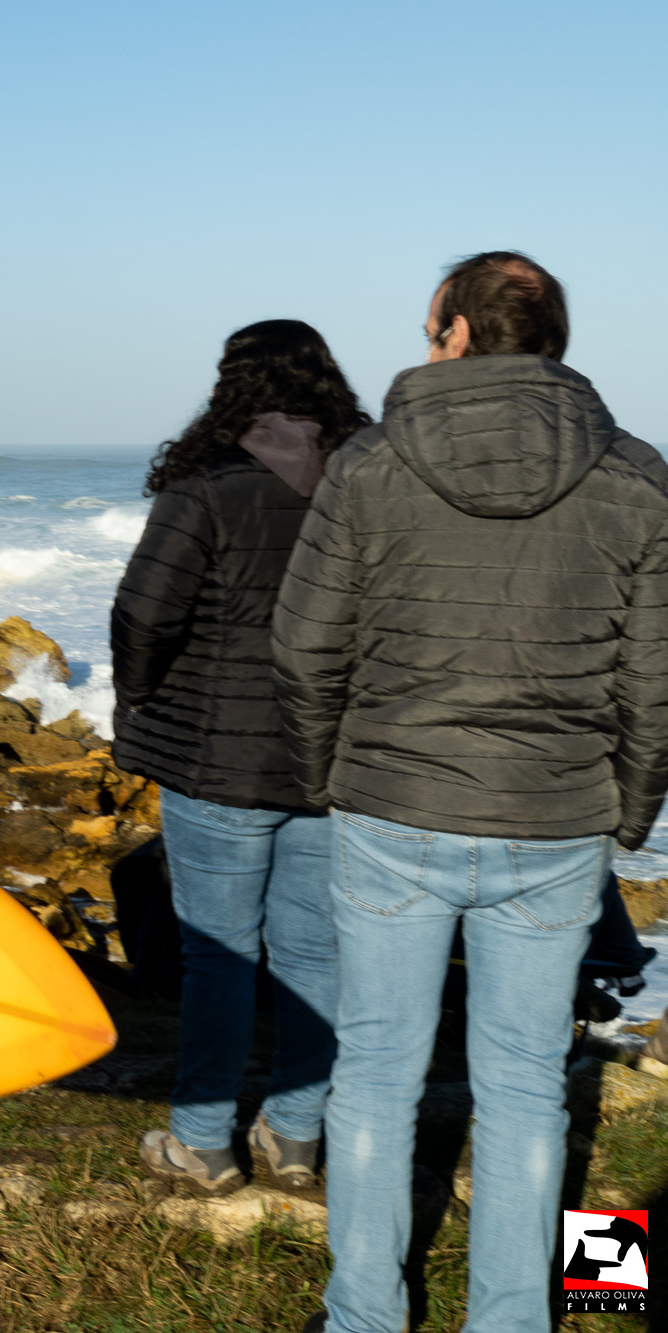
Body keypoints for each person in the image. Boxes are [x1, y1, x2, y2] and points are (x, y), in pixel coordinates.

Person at [273, 252, 668, 1333]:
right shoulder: (637, 474)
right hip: (554, 817)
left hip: (392, 805)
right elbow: (654, 678)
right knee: (527, 1083)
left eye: (427, 326)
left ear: (452, 332)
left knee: (374, 1073)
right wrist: (628, 811)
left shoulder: (368, 462)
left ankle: (362, 1316)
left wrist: (330, 777)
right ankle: (511, 1319)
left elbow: (302, 646)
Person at [112, 320, 372, 1200]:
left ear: (233, 385)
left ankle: (203, 1141)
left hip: (216, 759)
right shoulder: (367, 481)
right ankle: (296, 1135)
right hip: (329, 759)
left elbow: (145, 612)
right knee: (316, 953)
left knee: (219, 955)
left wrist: (142, 697)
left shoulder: (207, 484)